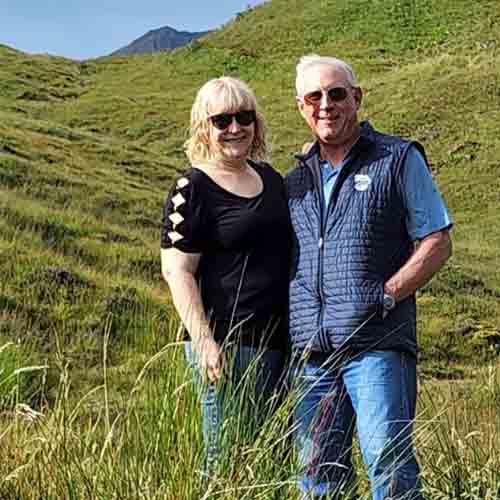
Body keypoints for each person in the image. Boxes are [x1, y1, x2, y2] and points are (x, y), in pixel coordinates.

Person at [286, 55, 453, 500]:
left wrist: (386, 295)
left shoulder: (397, 158)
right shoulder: (294, 182)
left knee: (388, 463)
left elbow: (437, 240)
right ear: (301, 107)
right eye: (314, 96)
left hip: (376, 345)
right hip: (312, 355)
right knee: (317, 475)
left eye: (337, 93)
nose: (326, 105)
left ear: (357, 98)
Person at [160, 76, 291, 474]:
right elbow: (177, 270)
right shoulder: (191, 187)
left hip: (281, 344)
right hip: (227, 346)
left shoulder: (272, 180)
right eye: (222, 120)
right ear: (205, 126)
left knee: (274, 460)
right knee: (228, 461)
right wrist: (204, 343)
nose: (235, 128)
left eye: (244, 117)